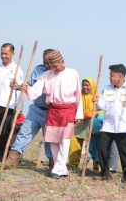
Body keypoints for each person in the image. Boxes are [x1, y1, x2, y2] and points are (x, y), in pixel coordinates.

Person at [20, 50, 83, 178]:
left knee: (64, 141)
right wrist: (26, 89)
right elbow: (36, 90)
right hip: (53, 110)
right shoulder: (47, 74)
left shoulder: (73, 73)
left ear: (62, 62)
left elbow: (78, 95)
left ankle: (58, 169)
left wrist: (78, 114)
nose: (54, 68)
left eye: (56, 66)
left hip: (68, 110)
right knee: (53, 140)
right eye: (51, 65)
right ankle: (60, 169)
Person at [5, 49, 54, 168]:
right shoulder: (38, 69)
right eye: (45, 62)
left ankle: (53, 164)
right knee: (24, 133)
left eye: (49, 63)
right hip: (35, 109)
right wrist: (18, 87)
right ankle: (12, 160)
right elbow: (29, 86)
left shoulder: (58, 74)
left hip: (51, 112)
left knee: (50, 139)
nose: (46, 65)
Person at [93, 64, 126, 184]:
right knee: (102, 150)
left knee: (125, 153)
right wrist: (96, 101)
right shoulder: (107, 88)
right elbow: (101, 106)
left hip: (124, 127)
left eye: (111, 75)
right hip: (108, 126)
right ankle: (105, 173)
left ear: (120, 76)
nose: (109, 77)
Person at [68, 77, 96, 169]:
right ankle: (73, 164)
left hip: (92, 124)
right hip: (79, 124)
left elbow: (101, 110)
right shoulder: (78, 95)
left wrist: (93, 113)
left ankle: (97, 166)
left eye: (87, 85)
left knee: (94, 146)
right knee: (74, 143)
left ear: (92, 86)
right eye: (83, 85)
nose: (85, 87)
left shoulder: (96, 96)